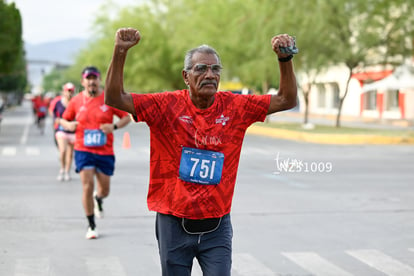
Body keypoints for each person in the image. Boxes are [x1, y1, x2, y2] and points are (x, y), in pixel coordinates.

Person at [104, 27, 297, 275]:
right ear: (186, 76)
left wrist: (285, 59)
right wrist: (120, 51)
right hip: (173, 222)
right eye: (201, 69)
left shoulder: (237, 106)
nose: (210, 74)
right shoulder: (165, 105)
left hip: (217, 224)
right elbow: (113, 97)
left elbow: (286, 100)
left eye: (215, 69)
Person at [60, 66, 131, 239]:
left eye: (95, 78)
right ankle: (91, 225)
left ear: (99, 80)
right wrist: (68, 125)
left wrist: (113, 126)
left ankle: (99, 199)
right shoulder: (76, 101)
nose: (92, 81)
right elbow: (63, 119)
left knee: (104, 189)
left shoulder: (109, 99)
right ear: (83, 82)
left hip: (105, 151)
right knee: (87, 185)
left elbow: (126, 117)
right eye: (88, 78)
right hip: (83, 149)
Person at [53, 82, 76, 181]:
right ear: (64, 91)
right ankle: (62, 168)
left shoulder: (75, 102)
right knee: (62, 151)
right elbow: (55, 117)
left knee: (70, 154)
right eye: (67, 91)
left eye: (71, 91)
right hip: (61, 131)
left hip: (73, 132)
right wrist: (63, 123)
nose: (69, 93)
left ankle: (67, 171)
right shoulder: (59, 103)